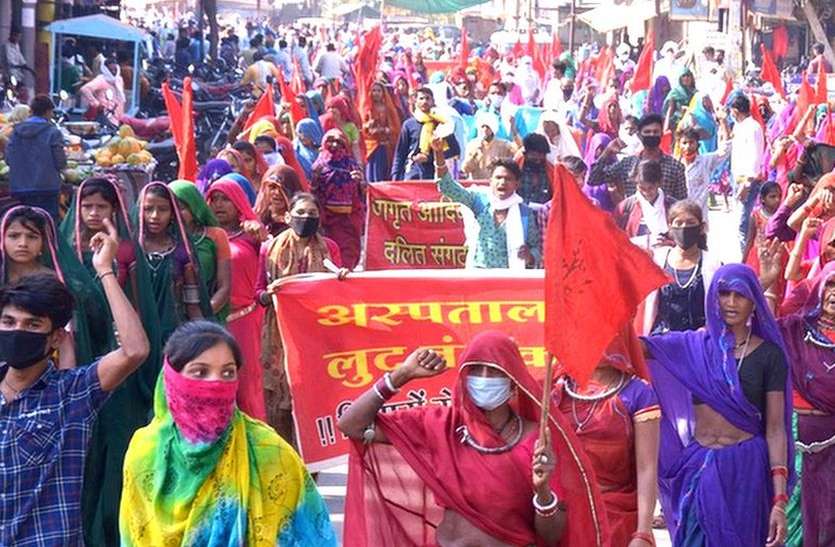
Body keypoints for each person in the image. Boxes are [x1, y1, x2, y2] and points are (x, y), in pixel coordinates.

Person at [338, 331, 608, 546]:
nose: (484, 379)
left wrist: (543, 492)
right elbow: (351, 425)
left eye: (495, 371)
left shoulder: (537, 440)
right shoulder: (439, 425)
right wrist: (400, 375)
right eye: (476, 370)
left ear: (514, 381)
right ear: (463, 377)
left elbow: (551, 536)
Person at [119, 320, 336, 545]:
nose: (215, 382)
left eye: (227, 372)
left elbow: (311, 536)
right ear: (172, 379)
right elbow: (133, 536)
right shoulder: (145, 452)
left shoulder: (269, 452)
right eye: (200, 372)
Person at [0, 238, 149, 544]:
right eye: (8, 322)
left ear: (55, 338)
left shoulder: (72, 393)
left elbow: (135, 350)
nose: (17, 331)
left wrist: (104, 269)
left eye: (32, 325)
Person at [642, 264, 793, 547]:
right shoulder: (693, 347)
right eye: (724, 294)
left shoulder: (769, 356)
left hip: (746, 470)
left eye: (740, 295)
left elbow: (775, 430)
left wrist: (780, 501)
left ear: (754, 302)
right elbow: (637, 348)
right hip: (699, 467)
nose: (731, 303)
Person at [553, 327, 659, 547]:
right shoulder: (558, 391)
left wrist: (643, 532)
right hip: (564, 517)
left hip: (616, 520)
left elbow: (647, 467)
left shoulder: (637, 393)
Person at [758, 253, 835, 546]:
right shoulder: (795, 329)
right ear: (819, 287)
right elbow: (755, 326)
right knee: (790, 522)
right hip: (795, 441)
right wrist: (766, 282)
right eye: (831, 284)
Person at [257, 193, 344, 443]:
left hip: (316, 334)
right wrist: (271, 295)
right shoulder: (269, 249)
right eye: (301, 213)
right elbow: (257, 292)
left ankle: (313, 457)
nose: (306, 218)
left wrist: (342, 281)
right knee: (281, 400)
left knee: (312, 397)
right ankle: (284, 453)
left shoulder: (329, 249)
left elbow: (338, 292)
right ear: (287, 217)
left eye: (312, 214)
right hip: (279, 335)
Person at [206, 179, 266, 420]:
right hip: (212, 320)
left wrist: (262, 236)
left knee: (248, 388)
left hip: (245, 322)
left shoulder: (252, 236)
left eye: (226, 199)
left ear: (238, 202)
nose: (219, 205)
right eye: (214, 199)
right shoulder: (203, 238)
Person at [436, 141, 540, 270]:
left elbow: (536, 248)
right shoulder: (478, 201)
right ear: (491, 181)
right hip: (478, 274)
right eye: (498, 178)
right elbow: (448, 187)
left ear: (517, 184)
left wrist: (530, 256)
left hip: (511, 278)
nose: (502, 182)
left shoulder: (524, 213)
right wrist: (438, 154)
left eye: (508, 179)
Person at [641, 200, 722, 335]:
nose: (684, 228)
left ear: (701, 227)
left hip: (699, 340)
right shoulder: (657, 261)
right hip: (660, 340)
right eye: (678, 223)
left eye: (690, 223)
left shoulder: (713, 265)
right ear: (670, 228)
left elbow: (723, 306)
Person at [587, 113, 687, 201]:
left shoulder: (675, 167)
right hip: (635, 215)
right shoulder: (627, 164)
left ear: (661, 134)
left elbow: (682, 202)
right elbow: (593, 179)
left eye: (655, 132)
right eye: (647, 132)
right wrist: (607, 152)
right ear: (639, 135)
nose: (652, 135)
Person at [169, 180, 232, 320]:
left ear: (194, 207)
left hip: (207, 316)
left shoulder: (216, 236)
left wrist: (201, 319)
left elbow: (224, 287)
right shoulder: (164, 240)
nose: (176, 214)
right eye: (171, 208)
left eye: (181, 208)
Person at [311, 129, 366, 269]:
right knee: (330, 253)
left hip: (348, 221)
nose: (335, 145)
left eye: (339, 142)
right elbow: (314, 192)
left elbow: (361, 192)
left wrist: (360, 182)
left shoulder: (351, 165)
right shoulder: (319, 166)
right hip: (328, 221)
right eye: (331, 141)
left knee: (348, 254)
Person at [5, 95, 66, 219]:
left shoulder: (15, 132)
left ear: (31, 111)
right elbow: (60, 162)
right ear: (48, 111)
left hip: (20, 188)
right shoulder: (53, 132)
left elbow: (8, 159)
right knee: (46, 223)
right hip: (47, 188)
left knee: (24, 223)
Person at [391, 87, 461, 180]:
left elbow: (455, 150)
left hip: (436, 174)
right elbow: (400, 153)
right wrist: (395, 176)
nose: (424, 101)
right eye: (421, 98)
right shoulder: (409, 124)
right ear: (416, 101)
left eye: (428, 98)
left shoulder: (442, 124)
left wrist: (429, 158)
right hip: (412, 173)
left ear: (433, 101)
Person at [729, 94, 765, 250]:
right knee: (739, 220)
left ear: (735, 111)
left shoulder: (753, 127)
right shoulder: (739, 126)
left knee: (743, 223)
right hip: (738, 179)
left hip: (747, 181)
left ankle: (746, 256)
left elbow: (755, 156)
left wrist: (747, 183)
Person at [614, 159, 676, 243]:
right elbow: (616, 239)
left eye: (650, 188)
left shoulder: (673, 207)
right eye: (641, 188)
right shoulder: (625, 208)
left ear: (659, 183)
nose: (646, 193)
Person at [678, 125, 730, 213]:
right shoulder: (675, 165)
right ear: (679, 144)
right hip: (681, 213)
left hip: (700, 214)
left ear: (697, 144)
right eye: (684, 143)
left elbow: (725, 150)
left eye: (691, 142)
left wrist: (723, 122)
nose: (687, 146)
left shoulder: (705, 161)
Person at [362, 81, 402, 182]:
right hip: (370, 147)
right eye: (374, 90)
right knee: (371, 173)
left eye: (379, 91)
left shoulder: (389, 109)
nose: (376, 93)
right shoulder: (367, 109)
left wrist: (384, 130)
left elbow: (396, 128)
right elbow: (362, 128)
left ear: (383, 93)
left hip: (384, 146)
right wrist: (368, 125)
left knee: (382, 174)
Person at [461, 110, 516, 179]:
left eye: (487, 127)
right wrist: (475, 154)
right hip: (476, 183)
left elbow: (518, 152)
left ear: (493, 128)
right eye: (482, 127)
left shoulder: (504, 145)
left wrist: (513, 129)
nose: (484, 130)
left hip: (495, 183)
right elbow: (465, 169)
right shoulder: (472, 145)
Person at [255, 164, 303, 237]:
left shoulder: (302, 220)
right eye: (272, 187)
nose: (277, 193)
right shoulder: (257, 217)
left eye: (284, 188)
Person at [79, 57, 127, 123]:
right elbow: (85, 89)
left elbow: (121, 99)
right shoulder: (101, 79)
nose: (113, 72)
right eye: (110, 70)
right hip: (106, 117)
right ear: (105, 69)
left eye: (115, 69)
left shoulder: (119, 80)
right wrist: (96, 104)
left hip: (119, 116)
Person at [517, 133, 554, 205]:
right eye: (534, 157)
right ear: (525, 154)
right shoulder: (516, 170)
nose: (538, 161)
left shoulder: (551, 173)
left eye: (541, 156)